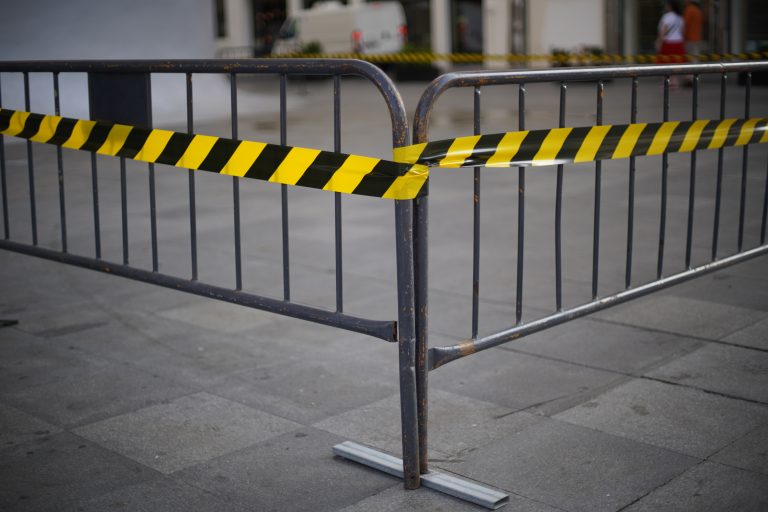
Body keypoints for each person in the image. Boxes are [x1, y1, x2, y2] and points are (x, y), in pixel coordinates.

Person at [656, 0, 686, 85]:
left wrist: (659, 42)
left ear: (669, 6)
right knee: (676, 62)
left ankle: (668, 81)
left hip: (668, 43)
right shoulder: (680, 18)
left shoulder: (666, 17)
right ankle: (675, 81)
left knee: (666, 62)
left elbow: (663, 32)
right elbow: (683, 31)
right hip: (678, 42)